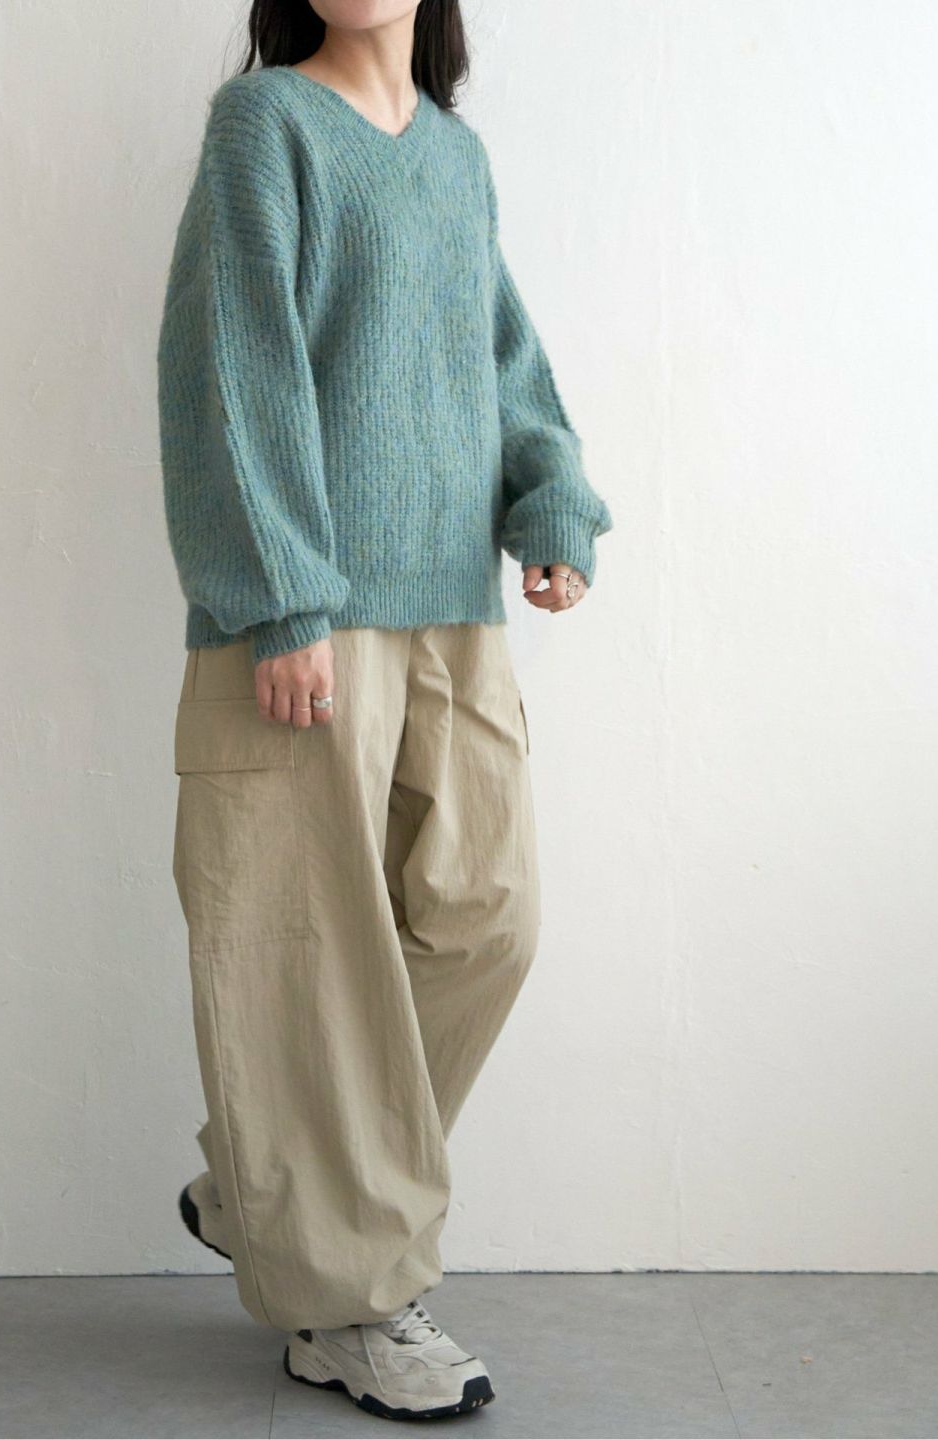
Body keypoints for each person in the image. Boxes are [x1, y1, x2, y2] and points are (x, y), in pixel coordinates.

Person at [156, 0, 612, 1421]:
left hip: (453, 614)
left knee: (489, 918)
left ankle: (268, 1186)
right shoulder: (265, 126)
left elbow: (500, 355)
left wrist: (550, 497)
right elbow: (232, 364)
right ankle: (349, 1306)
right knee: (308, 959)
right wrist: (281, 598)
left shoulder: (456, 157)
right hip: (308, 619)